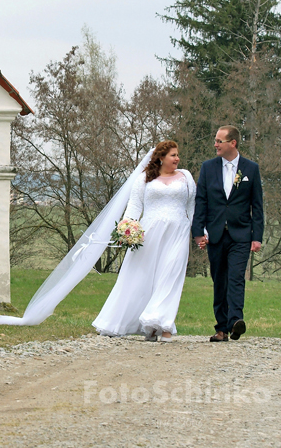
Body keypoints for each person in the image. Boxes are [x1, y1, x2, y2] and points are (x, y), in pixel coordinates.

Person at [92, 140, 196, 342]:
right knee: (141, 277)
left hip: (178, 233)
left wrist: (200, 231)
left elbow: (193, 207)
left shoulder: (186, 177)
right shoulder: (144, 179)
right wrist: (127, 230)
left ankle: (163, 324)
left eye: (177, 155)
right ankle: (141, 325)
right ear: (161, 158)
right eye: (173, 155)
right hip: (149, 235)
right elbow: (134, 207)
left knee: (170, 276)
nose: (177, 158)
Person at [192, 125, 263, 342]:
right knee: (219, 280)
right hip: (215, 234)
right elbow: (201, 200)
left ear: (232, 143)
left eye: (219, 141)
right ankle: (221, 328)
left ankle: (235, 322)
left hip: (241, 234)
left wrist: (257, 236)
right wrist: (198, 232)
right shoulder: (208, 168)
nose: (215, 144)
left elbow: (257, 205)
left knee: (236, 278)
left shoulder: (251, 169)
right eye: (215, 140)